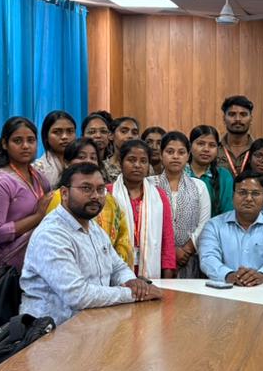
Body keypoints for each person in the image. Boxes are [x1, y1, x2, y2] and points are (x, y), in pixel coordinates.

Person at [20, 162, 162, 326]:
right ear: (64, 193)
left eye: (100, 189)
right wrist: (133, 294)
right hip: (53, 332)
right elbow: (77, 295)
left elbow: (118, 267)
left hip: (93, 324)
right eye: (86, 189)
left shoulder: (93, 228)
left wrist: (132, 282)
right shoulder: (51, 234)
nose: (95, 196)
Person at [42, 138, 134, 266]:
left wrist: (113, 267)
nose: (88, 161)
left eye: (93, 158)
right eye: (81, 157)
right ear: (67, 163)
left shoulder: (109, 200)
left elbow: (122, 237)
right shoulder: (59, 197)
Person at [198, 172, 263, 285]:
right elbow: (207, 258)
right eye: (242, 192)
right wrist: (228, 275)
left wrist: (262, 275)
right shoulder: (214, 225)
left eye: (255, 193)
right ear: (233, 196)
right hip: (225, 289)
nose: (248, 198)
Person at [0, 116, 51, 272]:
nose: (25, 146)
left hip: (40, 259)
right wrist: (38, 216)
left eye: (31, 140)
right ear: (5, 144)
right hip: (10, 266)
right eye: (17, 141)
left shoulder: (39, 177)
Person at [149, 130, 211, 278]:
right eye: (170, 152)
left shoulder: (199, 186)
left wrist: (186, 250)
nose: (175, 156)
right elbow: (147, 224)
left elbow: (204, 224)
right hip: (156, 256)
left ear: (188, 156)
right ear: (161, 154)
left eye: (181, 152)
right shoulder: (149, 185)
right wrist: (170, 252)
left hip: (189, 257)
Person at [112, 139, 177, 280]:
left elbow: (167, 239)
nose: (137, 165)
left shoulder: (159, 196)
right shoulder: (109, 193)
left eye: (143, 161)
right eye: (131, 160)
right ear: (120, 163)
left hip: (151, 269)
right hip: (115, 268)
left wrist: (168, 277)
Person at [186, 124, 234, 217]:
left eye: (212, 145)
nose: (206, 149)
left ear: (217, 149)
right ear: (190, 146)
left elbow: (228, 212)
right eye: (200, 144)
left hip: (216, 226)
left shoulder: (224, 176)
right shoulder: (179, 173)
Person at [33, 109, 76, 188]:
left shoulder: (81, 162)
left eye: (70, 131)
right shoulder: (38, 169)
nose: (65, 137)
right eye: (57, 132)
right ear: (46, 136)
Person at [220, 95, 255, 176]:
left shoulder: (258, 149)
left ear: (251, 119)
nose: (238, 119)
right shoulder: (214, 149)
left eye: (243, 114)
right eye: (232, 114)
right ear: (224, 119)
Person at [82, 111, 117, 181]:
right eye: (92, 132)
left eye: (103, 131)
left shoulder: (116, 165)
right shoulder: (78, 163)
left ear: (110, 136)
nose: (98, 136)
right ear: (83, 136)